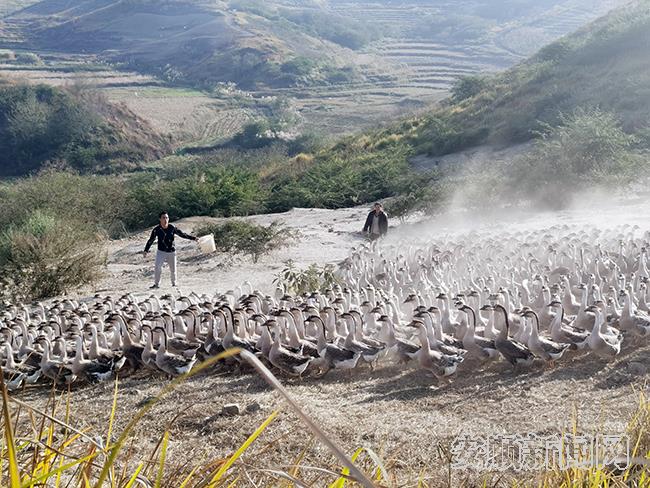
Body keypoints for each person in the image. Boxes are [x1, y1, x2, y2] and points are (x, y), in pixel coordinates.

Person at [143, 211, 197, 289]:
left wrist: (194, 238)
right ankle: (156, 284)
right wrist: (146, 250)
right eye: (163, 218)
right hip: (161, 251)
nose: (165, 220)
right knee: (157, 267)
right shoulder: (156, 229)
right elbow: (151, 240)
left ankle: (174, 284)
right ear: (160, 219)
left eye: (167, 218)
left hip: (171, 251)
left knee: (173, 269)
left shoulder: (172, 228)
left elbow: (182, 234)